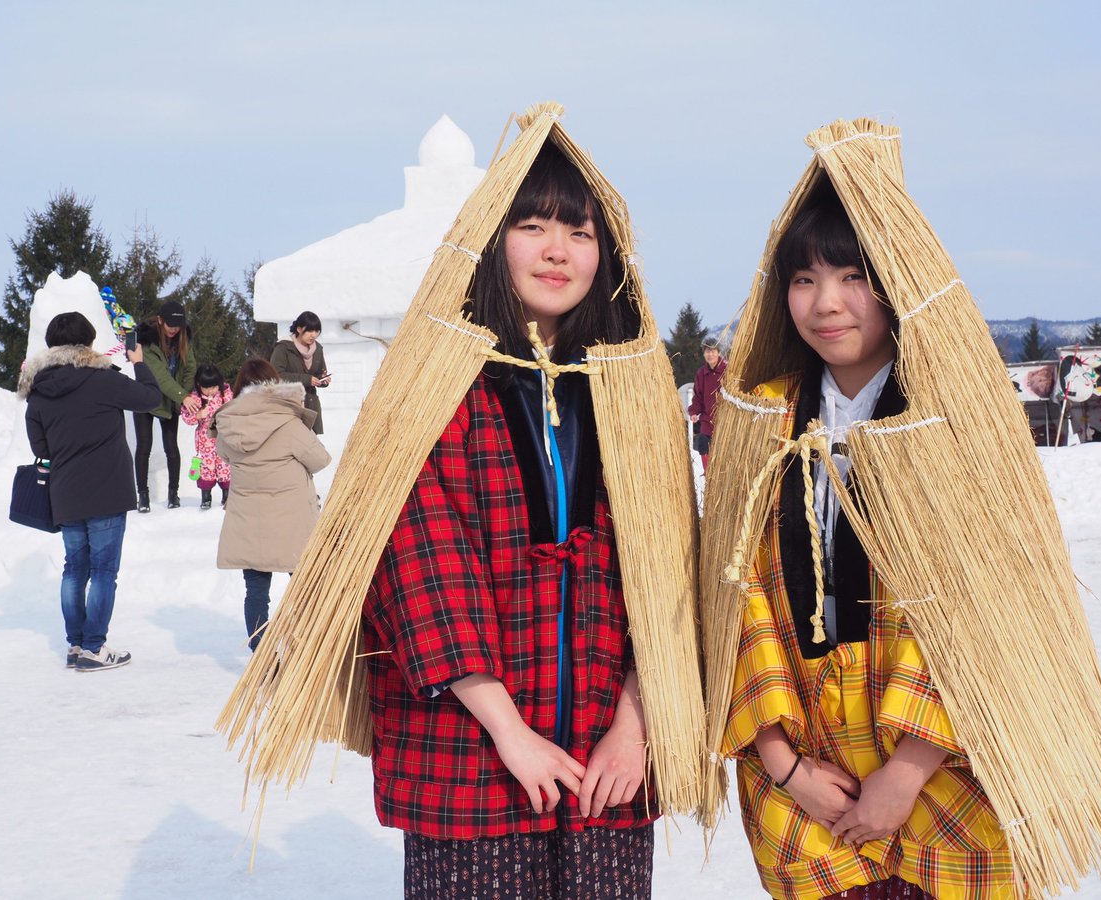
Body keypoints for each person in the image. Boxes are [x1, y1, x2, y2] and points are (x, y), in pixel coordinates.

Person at [361, 141, 656, 898]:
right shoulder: (435, 387)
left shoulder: (628, 392)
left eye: (581, 233)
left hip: (604, 759)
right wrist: (511, 733)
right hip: (472, 753)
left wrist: (636, 724)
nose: (558, 250)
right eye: (533, 226)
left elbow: (664, 580)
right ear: (494, 242)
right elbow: (422, 569)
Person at [719, 184, 1013, 898]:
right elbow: (734, 600)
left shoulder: (951, 420)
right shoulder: (760, 419)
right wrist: (786, 765)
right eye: (805, 279)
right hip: (802, 775)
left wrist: (907, 770)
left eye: (855, 277)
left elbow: (988, 607)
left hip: (941, 773)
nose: (827, 303)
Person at [19, 311, 162, 671]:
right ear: (88, 343)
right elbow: (150, 399)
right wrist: (139, 364)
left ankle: (76, 646)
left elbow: (41, 448)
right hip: (108, 490)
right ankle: (94, 647)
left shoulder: (38, 390)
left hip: (65, 493)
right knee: (102, 571)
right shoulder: (103, 381)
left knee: (74, 569)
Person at [213, 358, 330, 651]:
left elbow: (225, 455)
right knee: (304, 588)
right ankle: (306, 650)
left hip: (248, 522)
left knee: (255, 592)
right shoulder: (288, 424)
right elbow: (320, 460)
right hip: (292, 522)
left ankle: (261, 656)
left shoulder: (229, 425)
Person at [134, 299, 199, 511]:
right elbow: (159, 376)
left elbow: (190, 367)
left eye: (177, 325)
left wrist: (183, 393)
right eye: (170, 324)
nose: (173, 329)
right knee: (144, 446)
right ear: (160, 321)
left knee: (172, 446)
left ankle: (174, 494)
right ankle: (142, 495)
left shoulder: (183, 338)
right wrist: (182, 396)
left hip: (171, 399)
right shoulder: (147, 341)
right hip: (145, 396)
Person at [180, 364, 234, 510]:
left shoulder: (226, 395)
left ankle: (227, 495)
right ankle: (206, 497)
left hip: (223, 439)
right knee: (206, 468)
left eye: (214, 387)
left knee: (225, 466)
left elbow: (234, 412)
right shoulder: (195, 399)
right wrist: (197, 416)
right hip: (205, 441)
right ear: (199, 384)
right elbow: (186, 417)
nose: (210, 391)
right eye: (206, 387)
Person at [269, 311, 330, 435]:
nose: (314, 335)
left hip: (311, 405)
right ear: (299, 329)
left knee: (311, 447)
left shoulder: (318, 349)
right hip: (289, 405)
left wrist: (323, 380)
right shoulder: (284, 347)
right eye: (310, 331)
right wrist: (307, 379)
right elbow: (276, 376)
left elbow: (319, 373)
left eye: (317, 331)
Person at [687, 335, 727, 471]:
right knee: (703, 443)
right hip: (707, 420)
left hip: (724, 421)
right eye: (707, 351)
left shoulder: (727, 371)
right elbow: (698, 396)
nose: (710, 354)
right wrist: (693, 412)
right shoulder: (701, 373)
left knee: (722, 450)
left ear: (719, 353)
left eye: (713, 351)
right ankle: (708, 475)